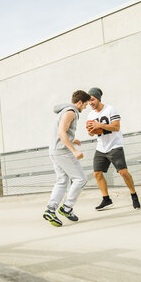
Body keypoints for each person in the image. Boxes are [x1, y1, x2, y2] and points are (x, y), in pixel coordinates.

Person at [85, 87, 141, 210]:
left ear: (98, 98)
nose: (91, 103)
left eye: (93, 100)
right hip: (101, 147)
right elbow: (91, 133)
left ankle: (133, 195)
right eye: (89, 101)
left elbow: (116, 127)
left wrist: (100, 125)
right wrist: (92, 131)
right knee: (97, 173)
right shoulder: (90, 114)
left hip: (115, 145)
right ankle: (106, 199)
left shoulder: (110, 109)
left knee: (123, 172)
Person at [43, 90, 90, 227]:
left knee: (62, 180)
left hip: (54, 150)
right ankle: (66, 207)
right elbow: (61, 132)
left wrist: (72, 140)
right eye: (85, 105)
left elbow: (63, 134)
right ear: (80, 102)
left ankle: (51, 210)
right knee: (81, 179)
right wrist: (74, 150)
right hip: (62, 152)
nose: (85, 107)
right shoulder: (71, 112)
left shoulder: (64, 110)